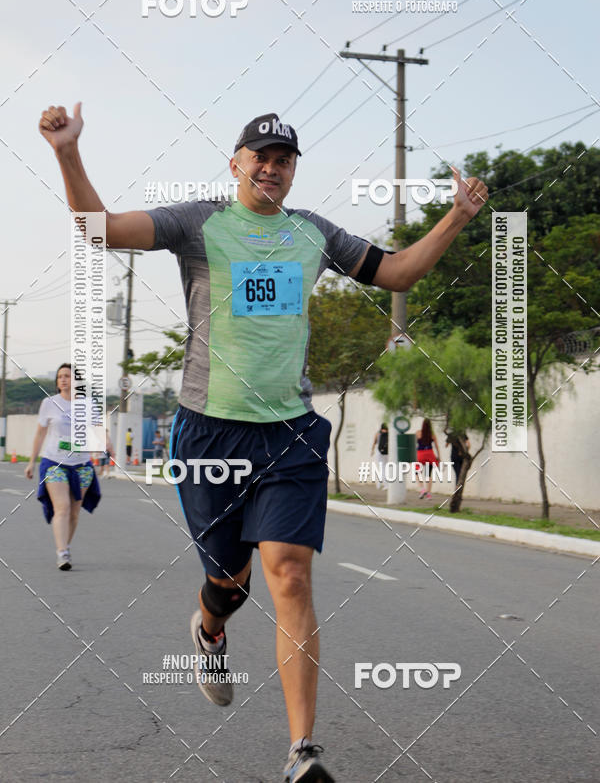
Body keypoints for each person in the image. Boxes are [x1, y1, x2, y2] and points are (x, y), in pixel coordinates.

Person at [39, 102, 488, 782]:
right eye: (261, 158)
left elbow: (396, 274)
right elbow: (101, 230)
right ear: (237, 164)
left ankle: (302, 752)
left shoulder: (313, 234)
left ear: (293, 170)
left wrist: (457, 215)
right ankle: (211, 628)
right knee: (230, 580)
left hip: (291, 433)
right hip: (209, 433)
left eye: (284, 161)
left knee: (290, 571)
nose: (272, 169)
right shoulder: (199, 222)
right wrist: (68, 150)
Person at [25, 363, 101, 570]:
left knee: (75, 511)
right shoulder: (49, 403)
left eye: (67, 376)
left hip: (82, 465)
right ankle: (62, 553)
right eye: (60, 377)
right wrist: (32, 461)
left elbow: (98, 429)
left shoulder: (88, 404)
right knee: (63, 507)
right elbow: (40, 433)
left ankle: (65, 546)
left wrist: (105, 447)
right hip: (54, 463)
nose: (63, 380)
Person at [416, 417, 441, 500]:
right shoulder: (432, 435)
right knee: (428, 474)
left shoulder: (418, 433)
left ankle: (422, 489)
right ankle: (429, 494)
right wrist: (439, 457)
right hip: (430, 454)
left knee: (417, 472)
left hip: (420, 454)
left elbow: (414, 445)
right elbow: (436, 446)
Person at [370, 422, 389, 489]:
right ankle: (384, 484)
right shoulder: (389, 433)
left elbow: (374, 443)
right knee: (387, 468)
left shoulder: (378, 433)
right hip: (388, 453)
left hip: (379, 452)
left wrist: (372, 451)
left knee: (381, 468)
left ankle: (380, 484)